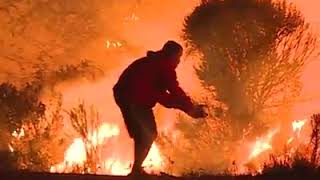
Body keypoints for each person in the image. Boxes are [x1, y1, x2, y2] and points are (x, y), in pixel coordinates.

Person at [113, 40, 207, 176]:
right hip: (132, 99)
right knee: (147, 134)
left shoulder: (157, 63)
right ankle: (136, 171)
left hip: (128, 97)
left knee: (144, 134)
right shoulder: (162, 67)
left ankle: (136, 170)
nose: (179, 62)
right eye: (178, 57)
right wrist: (190, 109)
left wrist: (189, 108)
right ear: (171, 55)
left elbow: (170, 94)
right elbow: (169, 94)